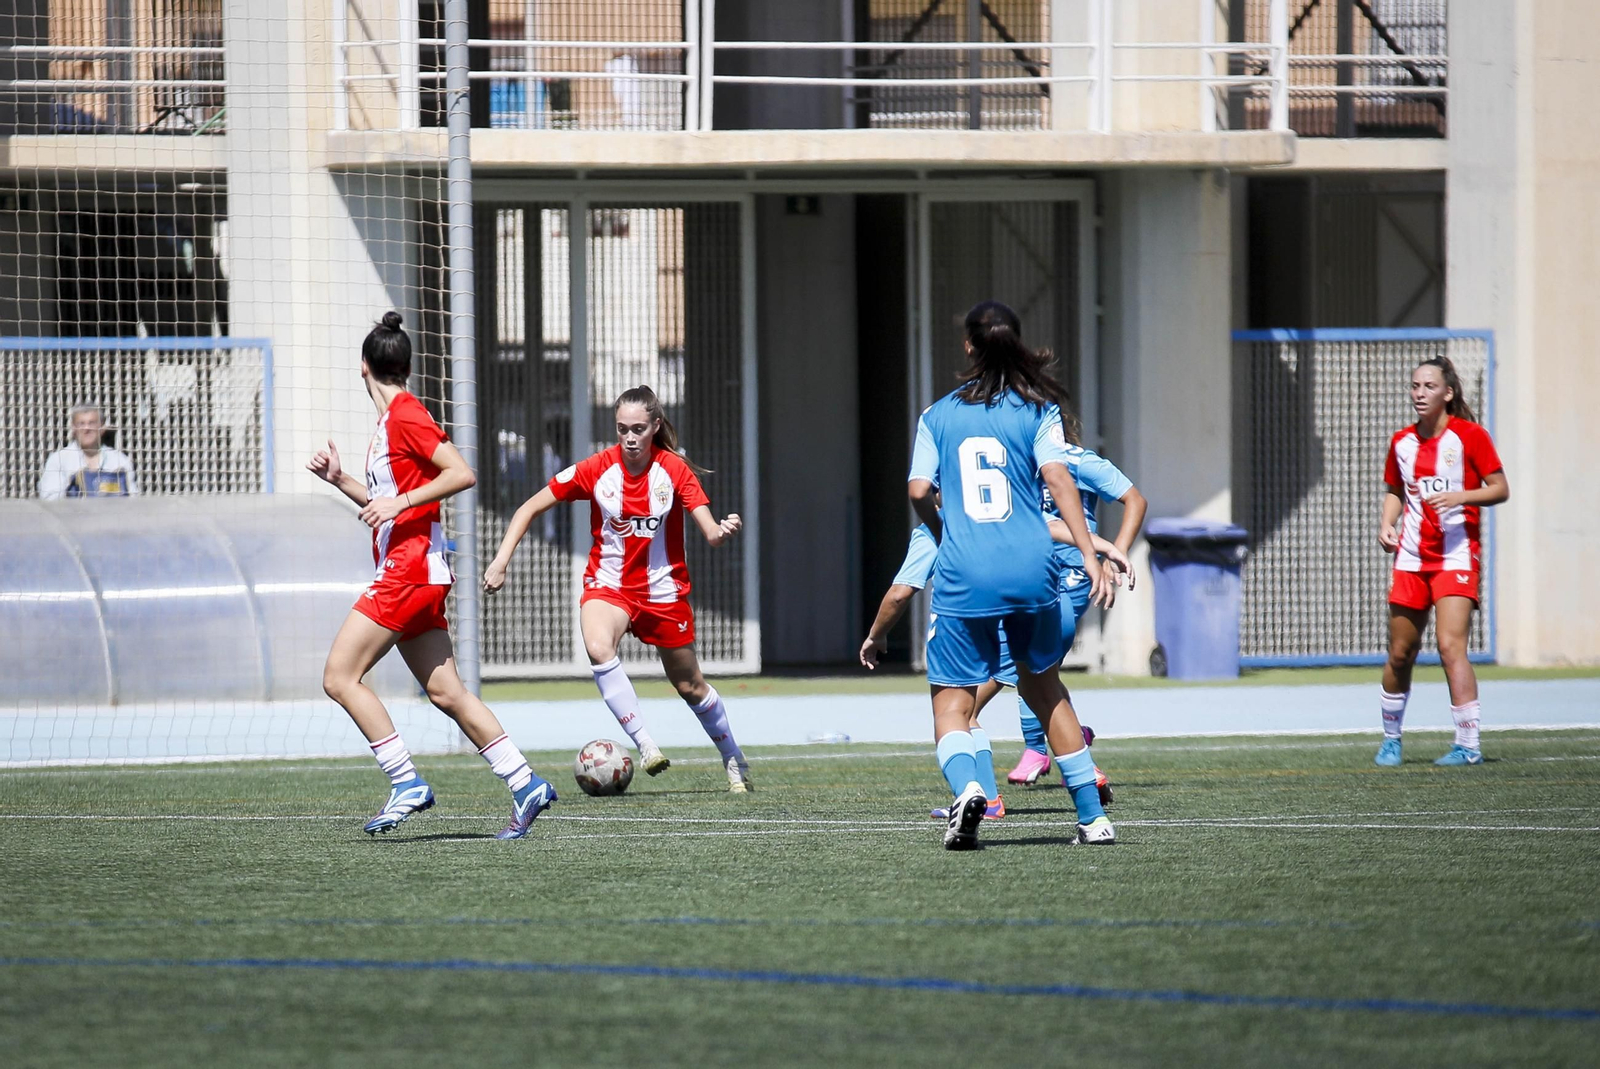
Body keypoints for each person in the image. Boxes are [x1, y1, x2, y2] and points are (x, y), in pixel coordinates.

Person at [309, 312, 556, 838]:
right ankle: (525, 780)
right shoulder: (388, 425)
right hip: (419, 570)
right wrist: (342, 480)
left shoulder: (404, 415)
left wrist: (399, 498)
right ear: (406, 364)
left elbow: (461, 472)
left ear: (363, 368)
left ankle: (405, 782)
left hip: (409, 569)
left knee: (339, 677)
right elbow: (388, 507)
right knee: (447, 693)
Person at [908, 299, 1114, 850]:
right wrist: (1092, 556)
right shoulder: (1038, 408)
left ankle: (971, 788)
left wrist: (944, 528)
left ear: (969, 347)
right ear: (1016, 343)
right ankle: (1093, 819)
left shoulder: (938, 414)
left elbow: (918, 491)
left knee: (952, 701)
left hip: (965, 570)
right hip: (1031, 566)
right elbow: (1061, 481)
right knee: (1045, 688)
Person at [484, 385, 753, 793]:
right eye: (622, 428)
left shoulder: (674, 470)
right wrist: (501, 560)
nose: (629, 437)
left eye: (639, 429)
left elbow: (710, 532)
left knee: (690, 686)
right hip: (609, 586)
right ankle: (645, 745)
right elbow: (529, 507)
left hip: (664, 592)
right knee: (598, 646)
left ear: (655, 426)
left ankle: (733, 756)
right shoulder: (596, 468)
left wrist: (722, 530)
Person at [860, 511, 1131, 820]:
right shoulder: (1010, 507)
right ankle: (1092, 812)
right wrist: (1102, 548)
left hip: (994, 618)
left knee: (961, 712)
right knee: (1048, 697)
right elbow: (1056, 525)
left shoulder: (939, 524)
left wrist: (876, 635)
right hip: (1052, 607)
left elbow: (900, 593)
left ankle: (984, 798)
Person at [1375, 356, 1508, 768]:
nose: (1419, 393)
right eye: (1415, 386)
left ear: (1448, 393)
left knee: (1451, 646)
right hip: (1411, 559)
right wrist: (1386, 524)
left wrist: (1460, 497)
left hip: (1455, 555)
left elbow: (1500, 488)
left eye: (1429, 386)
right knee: (1401, 651)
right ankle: (1391, 740)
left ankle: (1468, 745)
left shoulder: (1470, 436)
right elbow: (1396, 490)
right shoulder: (1402, 442)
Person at [1005, 445, 1146, 790]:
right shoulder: (1011, 461)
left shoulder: (1077, 462)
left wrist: (1115, 553)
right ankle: (1070, 736)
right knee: (1035, 666)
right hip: (1031, 574)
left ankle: (1038, 749)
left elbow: (1134, 500)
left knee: (1032, 661)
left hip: (1075, 573)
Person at [38, 405, 139, 499]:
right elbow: (49, 499)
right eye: (81, 424)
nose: (87, 428)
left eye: (92, 423)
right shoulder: (59, 460)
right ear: (73, 428)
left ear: (102, 428)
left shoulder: (119, 460)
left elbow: (132, 499)